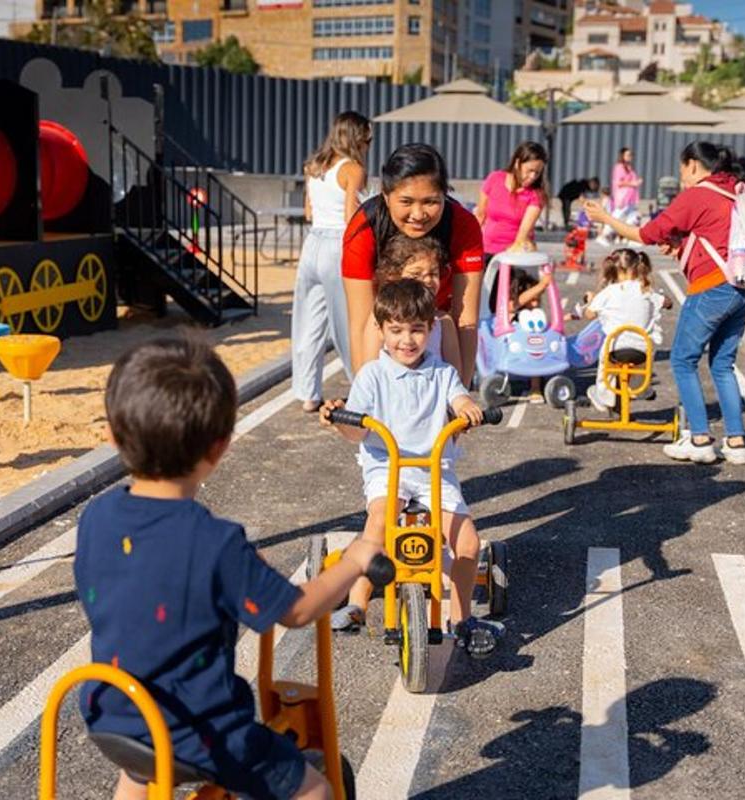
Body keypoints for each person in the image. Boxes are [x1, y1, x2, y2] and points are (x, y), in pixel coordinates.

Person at [75, 334, 383, 800]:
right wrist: (357, 559)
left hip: (113, 714)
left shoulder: (96, 517)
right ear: (219, 450)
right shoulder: (215, 544)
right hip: (200, 732)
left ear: (113, 436)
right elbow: (296, 611)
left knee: (140, 769)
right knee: (314, 791)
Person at [321, 280, 501, 655]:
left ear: (431, 330)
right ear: (381, 330)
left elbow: (459, 396)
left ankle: (462, 617)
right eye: (397, 330)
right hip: (388, 468)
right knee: (379, 524)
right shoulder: (372, 376)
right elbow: (355, 434)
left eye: (417, 329)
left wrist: (467, 407)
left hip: (435, 472)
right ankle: (357, 603)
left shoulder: (442, 374)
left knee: (467, 541)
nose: (407, 339)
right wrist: (338, 417)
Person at [584, 141, 745, 466]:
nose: (682, 178)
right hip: (744, 287)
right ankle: (736, 443)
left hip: (711, 288)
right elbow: (717, 236)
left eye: (682, 170)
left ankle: (700, 439)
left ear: (693, 164)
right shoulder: (738, 190)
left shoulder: (699, 194)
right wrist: (681, 245)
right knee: (722, 363)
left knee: (682, 360)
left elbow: (646, 235)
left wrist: (605, 216)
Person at [342, 144, 484, 386]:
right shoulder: (364, 228)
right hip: (388, 316)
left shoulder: (463, 225)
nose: (418, 214)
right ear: (386, 196)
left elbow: (466, 319)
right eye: (406, 201)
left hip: (439, 315)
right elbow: (361, 322)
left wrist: (462, 394)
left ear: (445, 195)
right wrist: (364, 396)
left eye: (430, 201)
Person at [293, 111, 372, 412]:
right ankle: (363, 387)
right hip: (339, 244)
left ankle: (307, 393)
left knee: (308, 322)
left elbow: (309, 213)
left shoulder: (313, 166)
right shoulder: (353, 169)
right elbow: (351, 217)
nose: (368, 142)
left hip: (312, 243)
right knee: (347, 321)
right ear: (357, 136)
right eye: (367, 136)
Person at [572, 249, 672, 411]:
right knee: (640, 370)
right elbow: (667, 302)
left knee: (606, 372)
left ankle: (603, 397)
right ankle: (641, 390)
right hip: (642, 349)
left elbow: (589, 315)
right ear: (636, 266)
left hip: (615, 349)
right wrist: (665, 301)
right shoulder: (645, 289)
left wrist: (591, 301)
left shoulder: (608, 292)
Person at [372, 234, 462, 370]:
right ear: (393, 276)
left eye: (433, 274)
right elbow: (367, 368)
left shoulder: (443, 321)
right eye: (415, 275)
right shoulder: (381, 316)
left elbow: (455, 374)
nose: (427, 280)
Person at [486, 266, 556, 403]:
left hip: (522, 346)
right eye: (511, 289)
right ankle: (535, 387)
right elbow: (515, 304)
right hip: (507, 345)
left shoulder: (524, 312)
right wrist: (542, 284)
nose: (536, 304)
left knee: (537, 345)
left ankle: (535, 387)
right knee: (535, 346)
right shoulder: (505, 305)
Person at [474, 141, 549, 261]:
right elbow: (480, 216)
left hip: (515, 255)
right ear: (517, 163)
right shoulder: (494, 179)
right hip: (486, 250)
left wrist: (506, 259)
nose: (532, 177)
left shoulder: (536, 195)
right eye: (530, 170)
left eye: (537, 173)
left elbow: (522, 235)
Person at [611, 147, 643, 222]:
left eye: (631, 155)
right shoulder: (619, 167)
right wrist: (633, 183)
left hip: (631, 198)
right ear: (622, 156)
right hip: (623, 198)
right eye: (628, 155)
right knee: (616, 216)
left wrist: (637, 181)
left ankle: (626, 233)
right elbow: (618, 182)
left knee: (632, 219)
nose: (630, 157)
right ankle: (605, 232)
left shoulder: (629, 168)